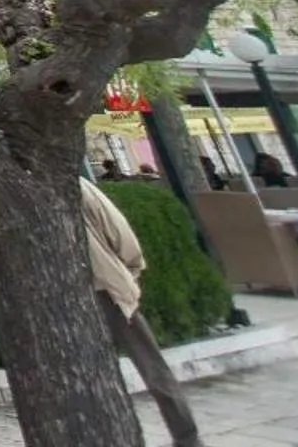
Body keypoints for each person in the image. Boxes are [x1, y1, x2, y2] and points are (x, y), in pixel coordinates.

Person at [82, 176, 199, 447]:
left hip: (107, 291)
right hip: (77, 296)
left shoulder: (77, 186)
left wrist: (129, 275)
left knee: (151, 368)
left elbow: (120, 234)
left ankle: (187, 437)